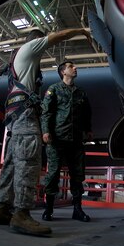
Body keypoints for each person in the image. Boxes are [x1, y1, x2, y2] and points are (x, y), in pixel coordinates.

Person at [0, 27, 92, 236]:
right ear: (36, 41)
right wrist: (81, 30)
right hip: (25, 116)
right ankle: (22, 214)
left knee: (11, 163)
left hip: (14, 117)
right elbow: (58, 36)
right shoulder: (30, 48)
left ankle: (1, 208)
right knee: (29, 162)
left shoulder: (19, 63)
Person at [41, 61, 93, 222]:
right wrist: (46, 131)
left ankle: (77, 210)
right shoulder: (54, 89)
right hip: (57, 139)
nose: (75, 68)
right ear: (63, 72)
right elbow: (46, 112)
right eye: (71, 66)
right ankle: (48, 209)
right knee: (53, 174)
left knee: (77, 175)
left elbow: (86, 113)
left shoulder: (80, 92)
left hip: (76, 140)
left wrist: (88, 129)